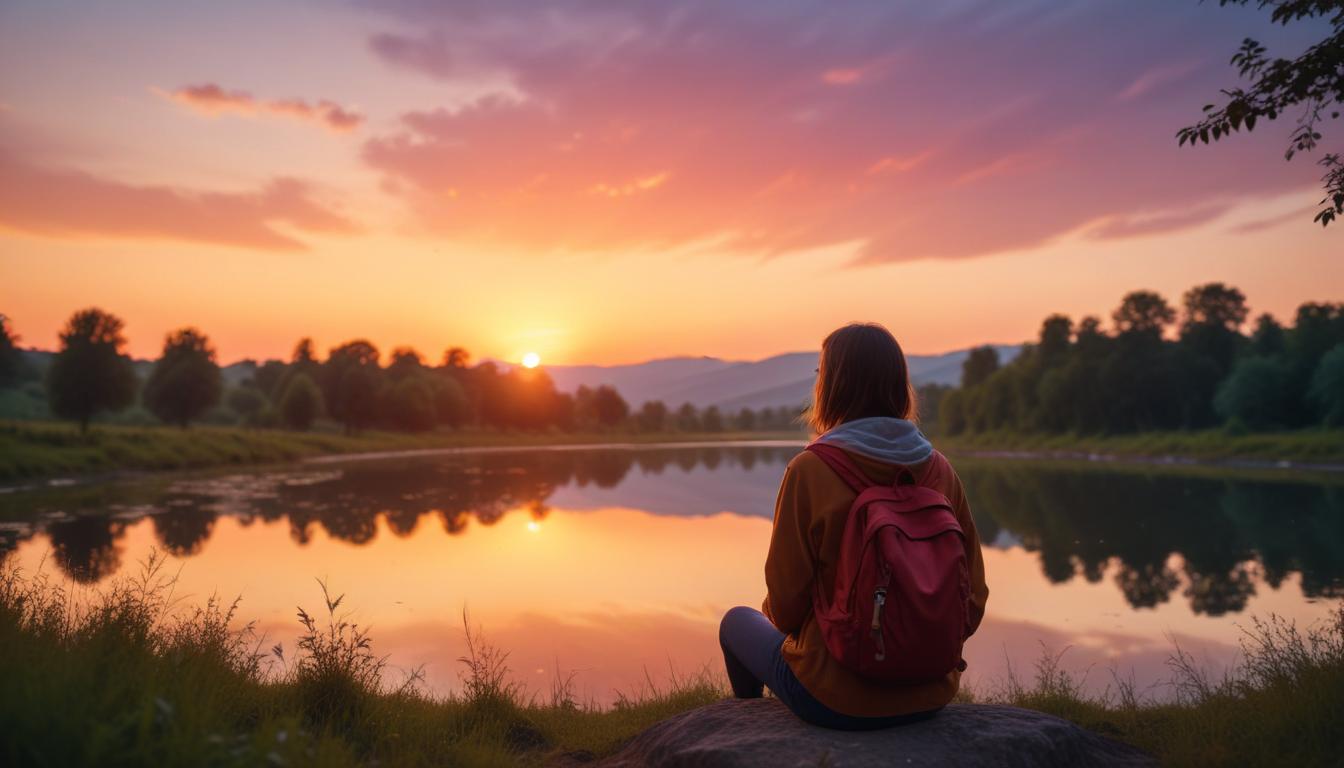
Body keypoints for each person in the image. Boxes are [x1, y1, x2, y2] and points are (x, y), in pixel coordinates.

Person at [719, 322, 989, 730]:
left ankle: (744, 731)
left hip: (834, 699)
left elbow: (786, 606)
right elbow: (974, 596)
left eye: (820, 374)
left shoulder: (810, 470)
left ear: (832, 386)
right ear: (899, 384)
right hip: (931, 695)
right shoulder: (940, 471)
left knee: (736, 623)